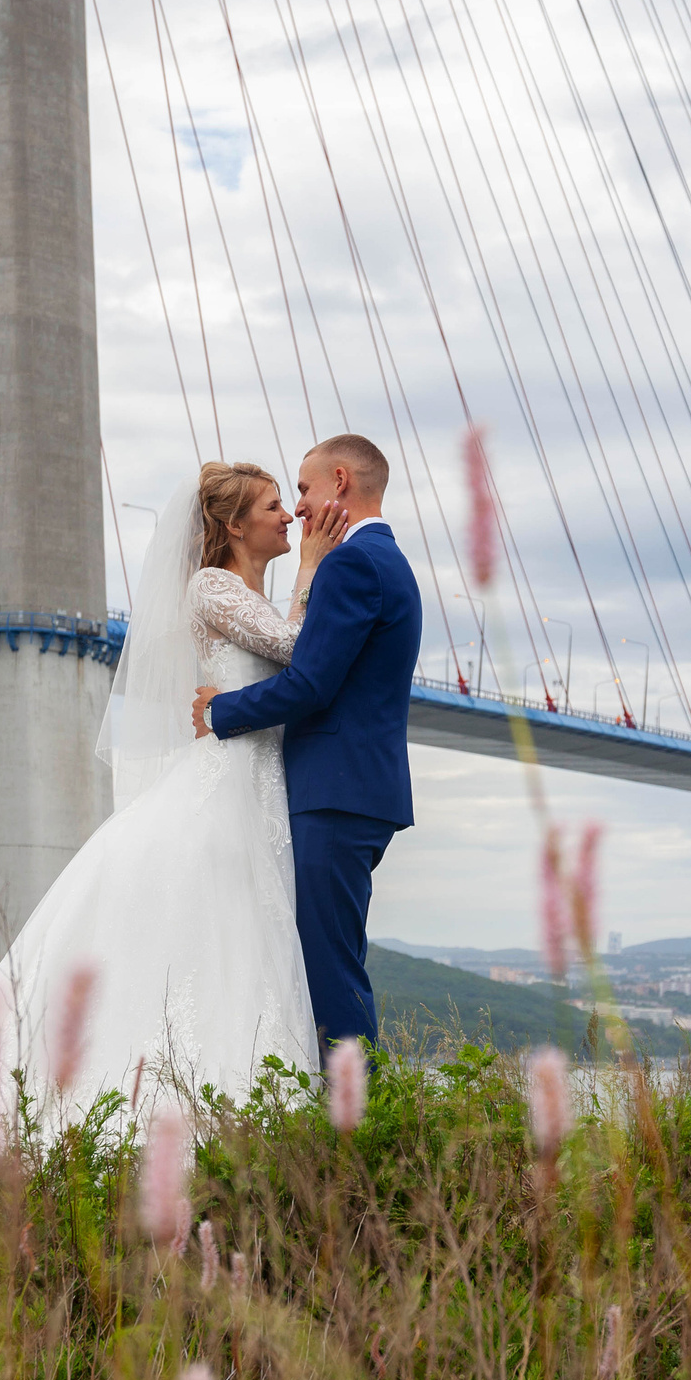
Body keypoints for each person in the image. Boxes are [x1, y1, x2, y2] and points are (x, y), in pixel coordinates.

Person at [0, 460, 348, 1114]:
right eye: (273, 506)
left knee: (246, 943)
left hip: (260, 784)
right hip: (225, 787)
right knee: (225, 930)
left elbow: (285, 656)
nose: (289, 517)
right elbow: (296, 647)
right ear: (233, 525)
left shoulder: (248, 597)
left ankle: (248, 1098)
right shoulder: (211, 586)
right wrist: (312, 564)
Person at [194, 433, 423, 1050]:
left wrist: (219, 711)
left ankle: (354, 1105)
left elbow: (311, 682)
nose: (296, 508)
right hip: (352, 790)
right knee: (323, 958)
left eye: (301, 489)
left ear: (340, 482)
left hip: (334, 794)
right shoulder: (388, 560)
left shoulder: (351, 563)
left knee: (327, 968)